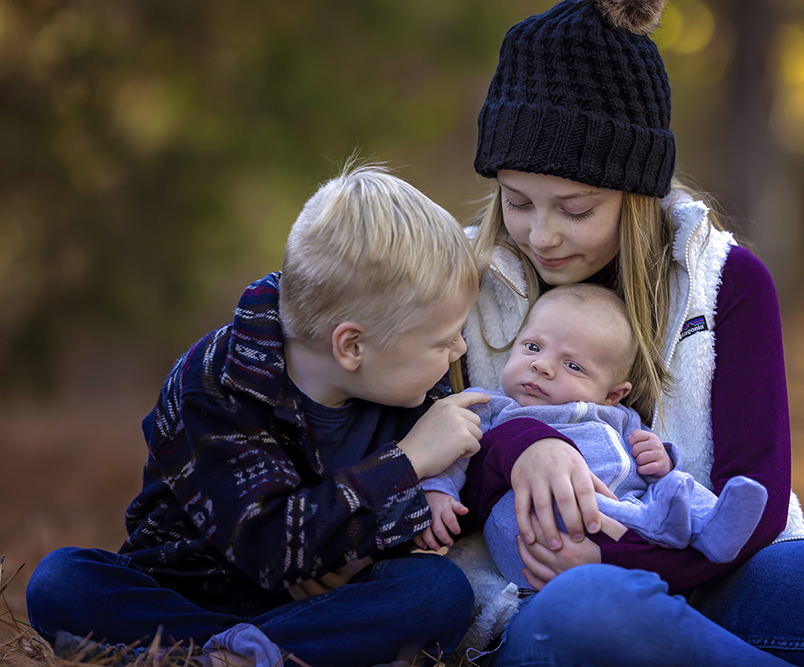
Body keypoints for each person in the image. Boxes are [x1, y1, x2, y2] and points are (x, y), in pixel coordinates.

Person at [444, 0, 804, 665]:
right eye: (517, 201)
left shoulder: (729, 282)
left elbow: (755, 501)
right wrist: (521, 444)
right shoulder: (457, 282)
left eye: (575, 208)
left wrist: (617, 553)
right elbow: (422, 471)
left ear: (636, 192)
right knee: (588, 607)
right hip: (532, 598)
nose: (541, 233)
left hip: (724, 578)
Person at [24, 163, 490, 667]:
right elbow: (271, 549)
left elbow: (402, 530)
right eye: (442, 341)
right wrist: (407, 462)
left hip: (319, 609)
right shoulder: (213, 387)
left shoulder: (409, 388)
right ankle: (253, 654)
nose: (459, 349)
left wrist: (366, 549)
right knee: (62, 581)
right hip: (190, 595)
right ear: (352, 346)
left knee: (439, 592)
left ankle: (218, 659)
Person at [418, 284, 768, 588]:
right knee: (589, 500)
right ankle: (661, 527)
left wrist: (662, 458)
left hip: (622, 511)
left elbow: (652, 459)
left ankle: (714, 524)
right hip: (539, 523)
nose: (542, 366)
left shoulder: (622, 418)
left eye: (573, 365)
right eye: (532, 347)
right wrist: (438, 490)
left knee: (674, 485)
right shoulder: (492, 405)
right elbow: (452, 450)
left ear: (612, 394)